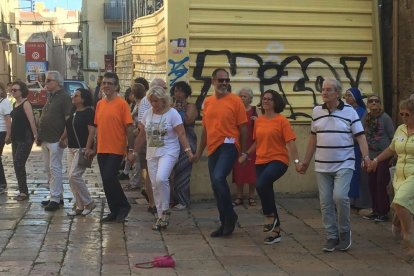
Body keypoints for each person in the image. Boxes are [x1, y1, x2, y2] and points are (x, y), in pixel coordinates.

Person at [299, 78, 370, 252]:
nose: (324, 92)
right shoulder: (316, 111)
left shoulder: (349, 111)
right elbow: (313, 138)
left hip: (344, 162)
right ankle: (331, 235)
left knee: (340, 197)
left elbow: (360, 136)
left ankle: (344, 231)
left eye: (328, 90)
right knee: (325, 202)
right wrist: (306, 162)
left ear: (337, 93)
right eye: (323, 89)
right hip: (322, 165)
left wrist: (366, 157)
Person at [128, 86, 194, 230]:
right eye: (151, 101)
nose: (154, 104)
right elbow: (141, 135)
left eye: (156, 101)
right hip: (152, 152)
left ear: (163, 100)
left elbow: (181, 134)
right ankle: (160, 216)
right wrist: (133, 152)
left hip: (169, 151)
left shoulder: (173, 114)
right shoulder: (147, 114)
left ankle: (165, 210)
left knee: (161, 178)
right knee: (154, 185)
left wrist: (188, 151)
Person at [239, 89, 301, 244]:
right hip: (260, 161)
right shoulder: (259, 121)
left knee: (261, 184)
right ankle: (276, 232)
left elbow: (290, 142)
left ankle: (268, 215)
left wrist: (297, 162)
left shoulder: (282, 121)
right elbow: (257, 142)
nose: (265, 101)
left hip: (278, 160)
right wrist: (246, 154)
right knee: (267, 192)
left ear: (276, 102)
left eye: (269, 99)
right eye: (264, 98)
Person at [194, 68, 247, 237]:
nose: (224, 83)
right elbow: (206, 130)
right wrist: (198, 152)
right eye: (220, 80)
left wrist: (244, 152)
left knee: (218, 178)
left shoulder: (235, 101)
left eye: (226, 80)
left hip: (230, 146)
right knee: (216, 186)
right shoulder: (208, 102)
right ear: (213, 81)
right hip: (213, 147)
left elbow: (243, 128)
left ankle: (230, 216)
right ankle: (225, 220)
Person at [369, 98, 414, 262]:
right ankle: (399, 224)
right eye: (401, 114)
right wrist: (376, 161)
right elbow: (391, 149)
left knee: (401, 202)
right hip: (399, 175)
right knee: (400, 205)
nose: (403, 117)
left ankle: (409, 237)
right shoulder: (401, 129)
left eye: (407, 114)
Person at [94, 72, 134, 223]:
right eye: (104, 83)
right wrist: (93, 147)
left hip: (116, 148)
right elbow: (97, 126)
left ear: (116, 86)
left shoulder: (122, 104)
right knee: (106, 180)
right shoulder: (100, 104)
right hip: (102, 148)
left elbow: (129, 128)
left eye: (110, 83)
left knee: (110, 177)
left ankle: (124, 205)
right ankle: (114, 210)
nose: (106, 86)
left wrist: (130, 149)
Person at [38, 71, 73, 211]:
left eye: (48, 81)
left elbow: (68, 120)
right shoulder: (50, 97)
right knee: (48, 169)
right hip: (46, 138)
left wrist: (65, 137)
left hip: (56, 139)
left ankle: (55, 199)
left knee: (55, 168)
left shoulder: (64, 98)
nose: (46, 83)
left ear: (57, 82)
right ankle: (57, 196)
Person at [61, 88, 96, 216]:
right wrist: (62, 138)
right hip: (71, 148)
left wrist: (87, 148)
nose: (73, 97)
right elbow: (68, 127)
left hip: (81, 148)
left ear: (83, 99)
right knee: (71, 178)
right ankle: (80, 205)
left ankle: (89, 202)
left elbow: (92, 131)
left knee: (73, 175)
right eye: (73, 95)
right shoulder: (73, 111)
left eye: (76, 95)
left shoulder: (88, 112)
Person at [362, 95, 394, 222]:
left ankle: (383, 212)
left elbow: (392, 137)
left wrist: (392, 156)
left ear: (380, 104)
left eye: (377, 101)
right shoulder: (367, 117)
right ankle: (375, 210)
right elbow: (362, 135)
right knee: (372, 183)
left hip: (383, 156)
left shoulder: (385, 118)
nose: (374, 103)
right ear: (368, 104)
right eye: (371, 101)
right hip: (370, 156)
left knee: (381, 184)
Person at [170, 81, 198, 210]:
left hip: (187, 140)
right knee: (172, 171)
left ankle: (183, 200)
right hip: (173, 142)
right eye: (176, 91)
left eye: (181, 91)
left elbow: (188, 120)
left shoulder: (191, 106)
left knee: (184, 171)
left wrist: (178, 110)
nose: (178, 94)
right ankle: (173, 199)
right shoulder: (170, 106)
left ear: (186, 93)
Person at [9, 81, 37, 201]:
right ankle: (22, 191)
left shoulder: (26, 104)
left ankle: (24, 192)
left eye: (15, 90)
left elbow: (31, 120)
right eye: (12, 90)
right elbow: (13, 122)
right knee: (17, 164)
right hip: (16, 138)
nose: (12, 92)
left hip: (25, 138)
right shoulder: (15, 104)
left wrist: (35, 135)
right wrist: (9, 135)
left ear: (22, 91)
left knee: (18, 162)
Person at [343, 88, 369, 209]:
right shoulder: (343, 110)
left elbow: (361, 129)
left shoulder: (362, 111)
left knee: (355, 173)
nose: (347, 98)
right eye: (346, 96)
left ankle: (355, 200)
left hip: (356, 147)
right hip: (344, 146)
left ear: (355, 97)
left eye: (349, 95)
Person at [232, 87, 257, 207]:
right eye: (240, 96)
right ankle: (239, 196)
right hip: (238, 144)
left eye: (245, 96)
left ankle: (252, 196)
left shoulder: (255, 110)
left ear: (250, 99)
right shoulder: (235, 110)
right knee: (239, 170)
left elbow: (263, 125)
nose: (242, 98)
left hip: (251, 145)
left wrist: (257, 121)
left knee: (252, 171)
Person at [124, 83, 147, 191]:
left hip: (139, 135)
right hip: (137, 133)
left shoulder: (142, 104)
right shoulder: (137, 104)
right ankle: (131, 178)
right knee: (134, 158)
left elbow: (141, 123)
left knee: (136, 158)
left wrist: (134, 132)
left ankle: (135, 182)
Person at [0, 82, 11, 195]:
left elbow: (8, 119)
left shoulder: (5, 102)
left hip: (2, 132)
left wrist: (8, 134)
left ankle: (2, 182)